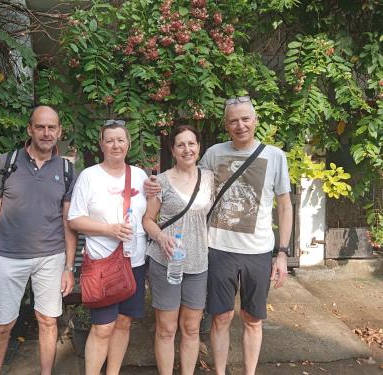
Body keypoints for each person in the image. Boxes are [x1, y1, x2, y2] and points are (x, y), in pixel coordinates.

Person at [145, 96, 293, 375]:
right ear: (226, 125)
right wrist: (153, 184)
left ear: (255, 120)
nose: (240, 125)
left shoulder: (275, 156)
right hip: (218, 248)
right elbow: (184, 180)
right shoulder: (214, 154)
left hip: (258, 249)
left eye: (245, 119)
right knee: (220, 317)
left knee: (253, 319)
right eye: (233, 120)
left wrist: (282, 253)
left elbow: (285, 205)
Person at [0, 105, 77, 375]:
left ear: (59, 131)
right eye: (40, 127)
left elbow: (68, 222)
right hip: (9, 258)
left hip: (51, 257)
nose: (46, 133)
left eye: (52, 127)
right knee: (2, 325)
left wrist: (69, 268)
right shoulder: (7, 162)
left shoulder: (68, 170)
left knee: (48, 321)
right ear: (30, 129)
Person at [67, 119, 148, 375]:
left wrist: (155, 195)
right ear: (101, 144)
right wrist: (109, 229)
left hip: (134, 261)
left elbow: (149, 216)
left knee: (124, 323)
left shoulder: (140, 175)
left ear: (128, 143)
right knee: (102, 328)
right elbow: (75, 219)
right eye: (110, 140)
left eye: (120, 140)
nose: (116, 145)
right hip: (102, 263)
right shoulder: (89, 177)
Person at [142, 125, 214, 375]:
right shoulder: (160, 182)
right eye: (181, 144)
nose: (187, 149)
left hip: (197, 263)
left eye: (191, 143)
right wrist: (162, 238)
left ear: (199, 147)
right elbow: (147, 220)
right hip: (166, 262)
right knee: (166, 328)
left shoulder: (209, 178)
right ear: (172, 150)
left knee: (192, 328)